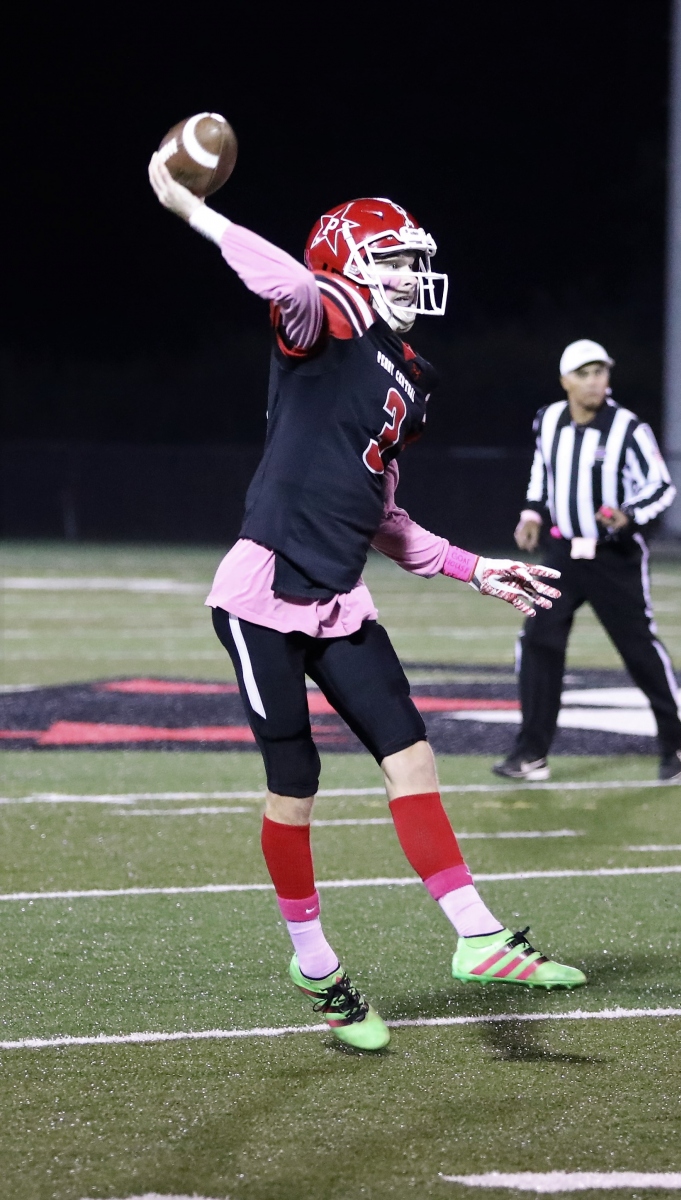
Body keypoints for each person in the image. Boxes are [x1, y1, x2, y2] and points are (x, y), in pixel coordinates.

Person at [148, 155, 587, 1052]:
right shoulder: (324, 318)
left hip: (339, 597)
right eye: (392, 260)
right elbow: (285, 282)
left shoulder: (411, 375)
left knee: (411, 754)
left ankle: (478, 938)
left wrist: (476, 569)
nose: (410, 276)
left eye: (412, 261)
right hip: (263, 594)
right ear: (346, 263)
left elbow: (383, 516)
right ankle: (315, 965)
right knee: (296, 786)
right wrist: (193, 208)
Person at [492, 340, 681, 783]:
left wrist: (629, 514)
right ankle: (532, 752)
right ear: (565, 381)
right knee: (539, 641)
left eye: (600, 372)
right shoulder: (548, 419)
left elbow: (661, 486)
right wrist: (532, 513)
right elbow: (543, 469)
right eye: (583, 374)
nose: (594, 381)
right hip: (563, 553)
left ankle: (673, 739)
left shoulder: (627, 427)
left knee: (637, 648)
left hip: (613, 556)